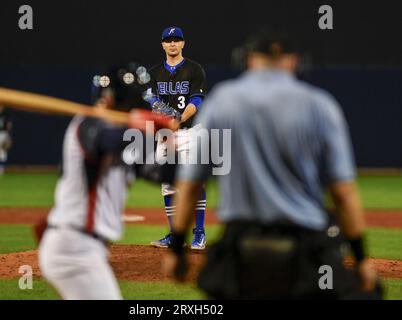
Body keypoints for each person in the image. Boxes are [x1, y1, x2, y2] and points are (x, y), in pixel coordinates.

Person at [163, 30, 382, 299]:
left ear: (248, 60)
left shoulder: (223, 101)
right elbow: (343, 192)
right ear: (295, 61)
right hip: (303, 252)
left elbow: (191, 183)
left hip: (240, 253)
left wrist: (176, 250)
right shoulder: (319, 105)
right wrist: (360, 259)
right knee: (371, 294)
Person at [38, 63, 177, 300]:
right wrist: (142, 125)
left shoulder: (127, 138)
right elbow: (109, 141)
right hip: (72, 247)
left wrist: (169, 142)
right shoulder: (86, 124)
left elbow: (164, 175)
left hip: (89, 248)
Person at [147, 26, 208, 250]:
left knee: (194, 181)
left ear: (183, 43)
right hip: (165, 134)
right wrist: (161, 113)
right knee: (168, 185)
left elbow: (197, 101)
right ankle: (176, 235)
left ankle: (199, 233)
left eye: (176, 39)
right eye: (168, 40)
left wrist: (179, 118)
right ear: (162, 44)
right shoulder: (154, 73)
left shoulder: (194, 69)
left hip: (191, 131)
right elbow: (151, 99)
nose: (172, 43)